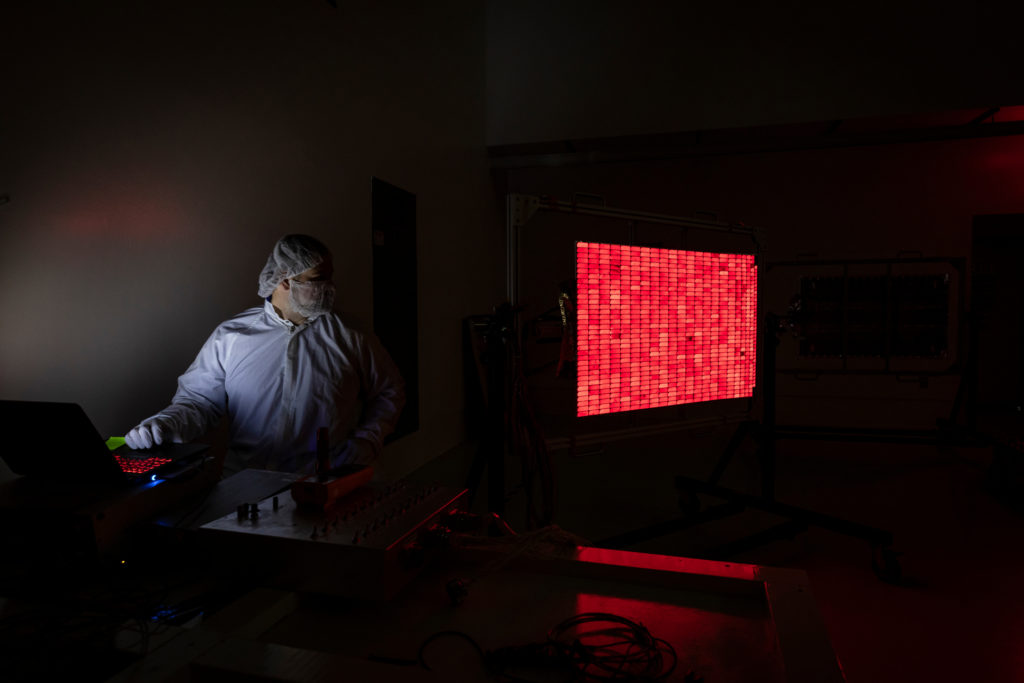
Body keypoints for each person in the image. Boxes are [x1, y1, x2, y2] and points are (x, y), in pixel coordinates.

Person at [125, 234, 404, 476]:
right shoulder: (232, 336)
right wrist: (165, 424)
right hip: (244, 487)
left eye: (330, 278)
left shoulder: (351, 336)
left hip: (326, 483)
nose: (328, 288)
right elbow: (198, 402)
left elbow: (390, 390)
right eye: (318, 280)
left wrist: (368, 440)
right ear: (283, 280)